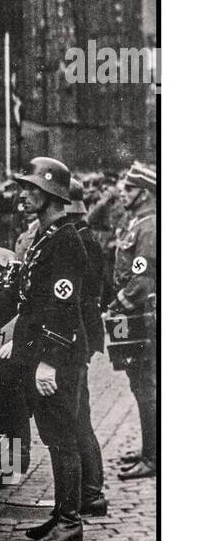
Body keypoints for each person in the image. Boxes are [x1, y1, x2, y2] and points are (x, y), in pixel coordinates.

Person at [0, 157, 88, 541]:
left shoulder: (66, 241)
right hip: (35, 353)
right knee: (53, 436)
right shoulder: (45, 237)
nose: (24, 195)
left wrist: (49, 362)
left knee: (62, 437)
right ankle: (60, 514)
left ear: (52, 195)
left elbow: (62, 307)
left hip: (56, 355)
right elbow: (18, 295)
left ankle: (70, 521)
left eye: (32, 189)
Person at [111, 161, 157, 478]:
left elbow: (142, 281)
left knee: (147, 387)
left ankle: (153, 458)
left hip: (144, 317)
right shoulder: (139, 223)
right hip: (137, 316)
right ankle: (149, 449)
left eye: (128, 189)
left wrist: (117, 305)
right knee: (139, 384)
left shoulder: (150, 227)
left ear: (143, 193)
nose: (122, 192)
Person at [66, 177, 108, 515]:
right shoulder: (83, 235)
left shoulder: (81, 239)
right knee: (80, 415)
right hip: (82, 331)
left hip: (78, 333)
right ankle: (90, 491)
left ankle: (92, 492)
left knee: (79, 418)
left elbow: (90, 292)